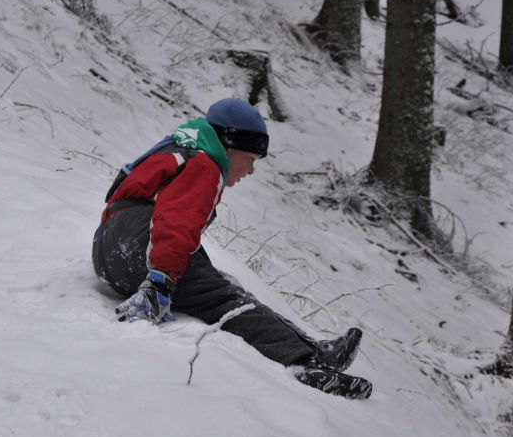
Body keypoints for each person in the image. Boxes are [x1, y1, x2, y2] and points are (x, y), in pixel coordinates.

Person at [92, 98, 372, 399]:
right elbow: (175, 221)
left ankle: (315, 350)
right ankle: (305, 363)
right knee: (225, 298)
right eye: (251, 158)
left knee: (221, 286)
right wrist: (159, 281)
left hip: (109, 248)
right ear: (230, 146)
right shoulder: (205, 164)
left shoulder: (181, 149)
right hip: (139, 242)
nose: (251, 170)